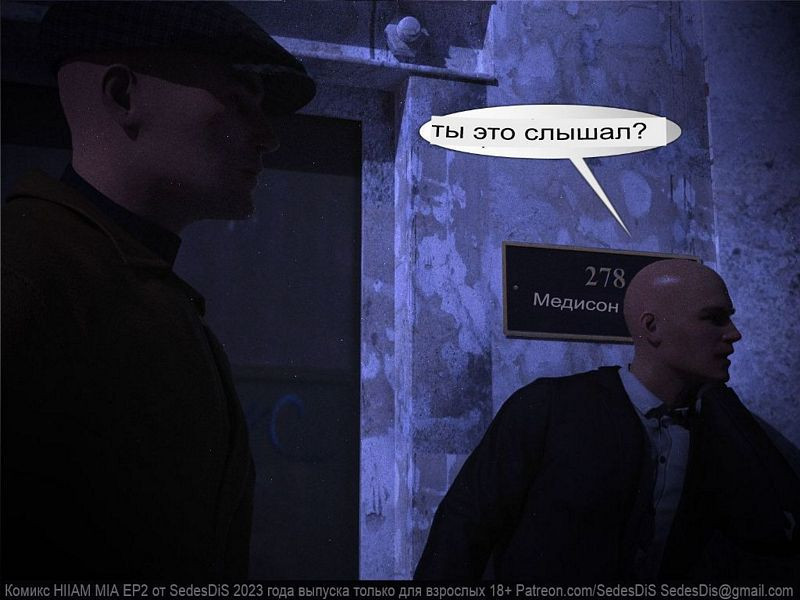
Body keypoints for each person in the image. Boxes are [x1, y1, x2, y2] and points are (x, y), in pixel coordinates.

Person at [1, 1, 315, 580]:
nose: (267, 137)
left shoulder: (120, 283)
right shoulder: (25, 277)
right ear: (124, 96)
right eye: (238, 99)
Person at [415, 259, 800, 582]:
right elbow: (462, 530)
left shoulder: (721, 429)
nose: (734, 334)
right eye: (714, 319)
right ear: (651, 327)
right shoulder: (549, 407)